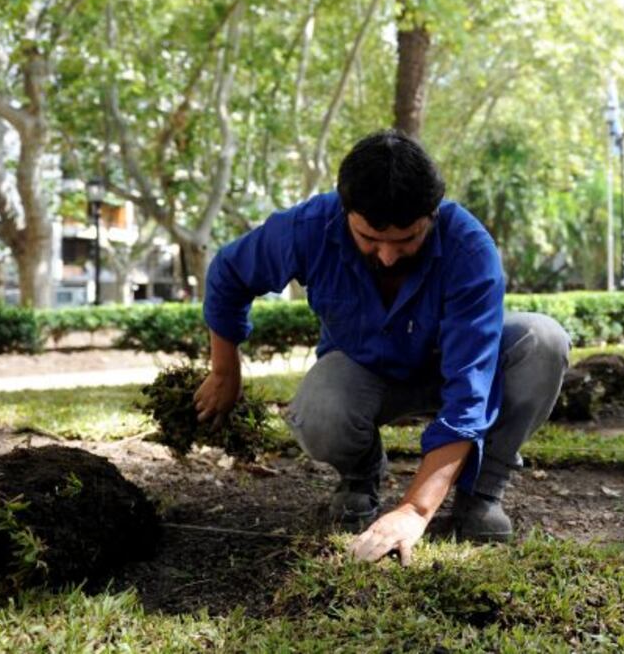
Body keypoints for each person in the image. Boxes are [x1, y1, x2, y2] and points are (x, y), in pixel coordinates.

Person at [196, 130, 569, 565]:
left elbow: (470, 391)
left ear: (431, 216)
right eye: (370, 238)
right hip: (365, 374)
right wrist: (225, 371)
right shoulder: (310, 227)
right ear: (345, 211)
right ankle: (360, 477)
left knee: (542, 340)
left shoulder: (469, 248)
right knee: (318, 411)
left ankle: (481, 492)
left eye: (407, 240)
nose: (388, 256)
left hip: (453, 370)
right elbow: (229, 274)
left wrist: (414, 509)